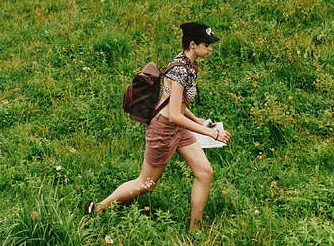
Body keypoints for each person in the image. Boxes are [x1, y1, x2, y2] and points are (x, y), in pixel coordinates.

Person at [86, 22, 233, 231]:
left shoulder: (188, 65)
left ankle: (195, 230)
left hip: (178, 128)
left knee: (205, 172)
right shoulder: (180, 70)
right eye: (207, 44)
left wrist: (196, 119)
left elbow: (175, 102)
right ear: (193, 45)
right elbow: (173, 115)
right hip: (163, 130)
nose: (210, 48)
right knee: (146, 184)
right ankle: (98, 208)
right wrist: (211, 133)